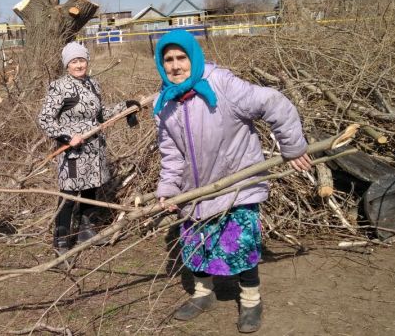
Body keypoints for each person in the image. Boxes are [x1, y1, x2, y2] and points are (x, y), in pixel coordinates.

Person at [152, 30, 312, 333]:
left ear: (193, 57)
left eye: (181, 58)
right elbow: (171, 155)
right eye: (168, 60)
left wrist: (292, 148)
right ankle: (203, 295)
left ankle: (251, 300)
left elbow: (273, 102)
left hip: (237, 184)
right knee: (195, 243)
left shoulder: (221, 84)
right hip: (196, 191)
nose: (175, 66)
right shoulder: (165, 104)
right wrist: (169, 188)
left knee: (240, 244)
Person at [38, 41, 140, 254]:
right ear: (67, 64)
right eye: (74, 61)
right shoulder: (60, 86)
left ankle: (86, 231)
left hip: (94, 150)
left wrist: (125, 106)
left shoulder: (93, 84)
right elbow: (45, 119)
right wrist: (66, 136)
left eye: (81, 60)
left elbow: (101, 115)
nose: (78, 65)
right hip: (73, 151)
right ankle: (62, 238)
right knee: (69, 193)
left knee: (90, 188)